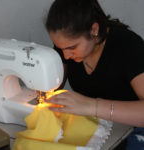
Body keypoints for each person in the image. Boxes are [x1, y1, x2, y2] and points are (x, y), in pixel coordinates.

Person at [45, 0, 144, 149]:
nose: (65, 56)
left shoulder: (129, 46)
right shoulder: (66, 48)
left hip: (132, 128)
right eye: (60, 48)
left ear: (94, 30)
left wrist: (92, 106)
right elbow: (52, 89)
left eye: (72, 47)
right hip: (97, 127)